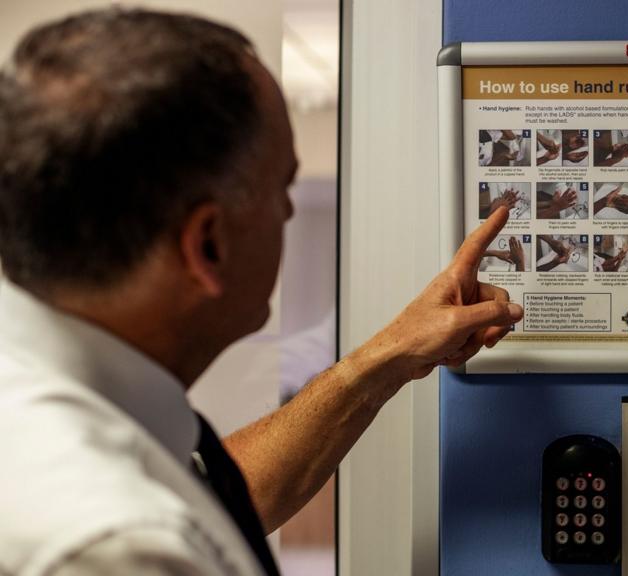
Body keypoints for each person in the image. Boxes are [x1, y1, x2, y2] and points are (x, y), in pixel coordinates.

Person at [0, 9, 522, 575]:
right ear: (208, 246)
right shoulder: (122, 547)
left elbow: (216, 495)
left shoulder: (45, 406)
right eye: (282, 188)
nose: (290, 211)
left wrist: (389, 355)